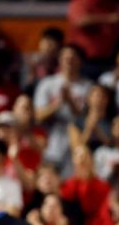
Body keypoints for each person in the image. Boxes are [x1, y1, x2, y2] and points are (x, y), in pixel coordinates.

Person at [33, 44, 92, 177]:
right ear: (59, 60)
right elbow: (38, 116)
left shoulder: (88, 86)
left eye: (73, 58)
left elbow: (90, 118)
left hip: (78, 145)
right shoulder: (47, 84)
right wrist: (59, 103)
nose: (69, 61)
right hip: (51, 143)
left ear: (80, 61)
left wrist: (70, 102)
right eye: (65, 58)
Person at [67, 0, 119, 77]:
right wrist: (107, 19)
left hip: (108, 61)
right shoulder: (81, 1)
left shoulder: (113, 4)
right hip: (85, 61)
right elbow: (80, 21)